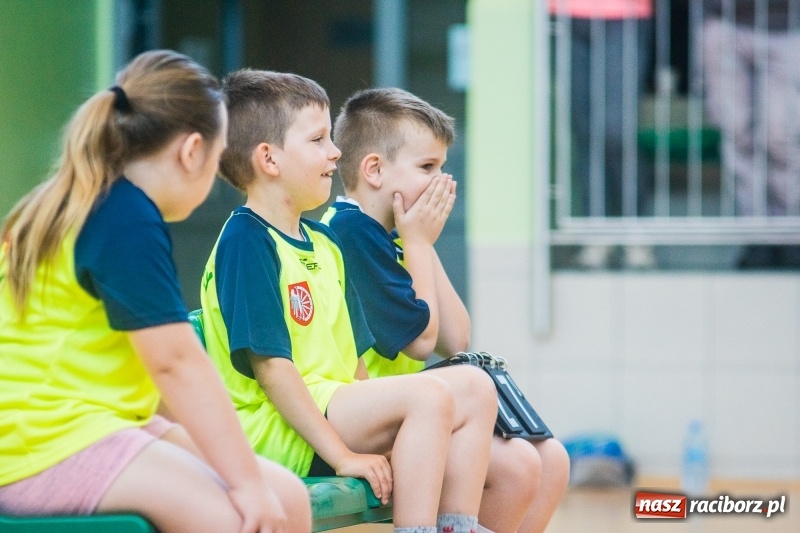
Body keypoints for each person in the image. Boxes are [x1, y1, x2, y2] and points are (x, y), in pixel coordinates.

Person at [0, 50, 310, 532]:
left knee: (287, 496)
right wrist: (244, 484)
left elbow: (149, 370)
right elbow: (176, 363)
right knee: (231, 516)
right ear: (191, 152)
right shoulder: (125, 219)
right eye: (218, 155)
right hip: (42, 442)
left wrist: (243, 473)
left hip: (83, 423)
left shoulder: (83, 200)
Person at [199, 69, 496, 533]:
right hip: (281, 431)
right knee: (429, 396)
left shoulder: (324, 243)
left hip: (335, 409)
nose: (335, 151)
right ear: (269, 159)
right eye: (318, 139)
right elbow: (274, 372)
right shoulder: (246, 240)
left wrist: (375, 428)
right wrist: (344, 455)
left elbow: (355, 365)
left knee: (476, 387)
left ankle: (455, 525)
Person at [323, 87, 571, 533]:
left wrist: (420, 241)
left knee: (551, 459)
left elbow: (455, 338)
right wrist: (416, 242)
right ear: (375, 170)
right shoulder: (352, 231)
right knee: (517, 468)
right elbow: (421, 345)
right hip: (369, 418)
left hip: (414, 415)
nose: (442, 182)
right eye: (427, 168)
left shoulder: (393, 232)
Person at [549, 0, 656, 269]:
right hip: (566, 13)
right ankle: (597, 234)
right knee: (586, 132)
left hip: (624, 13)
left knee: (616, 130)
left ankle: (635, 231)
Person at [701, 0, 800, 268]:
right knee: (738, 136)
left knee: (781, 136)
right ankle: (755, 233)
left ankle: (788, 231)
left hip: (787, 25)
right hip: (726, 21)